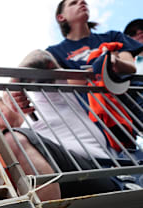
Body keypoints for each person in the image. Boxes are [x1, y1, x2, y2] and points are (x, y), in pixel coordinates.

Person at [0, 50, 120, 200]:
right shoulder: (23, 137)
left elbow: (42, 57)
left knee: (12, 140)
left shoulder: (45, 98)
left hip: (96, 170)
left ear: (2, 103)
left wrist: (12, 86)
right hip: (59, 182)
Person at [46, 0, 143, 150]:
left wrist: (114, 62)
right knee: (126, 158)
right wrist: (97, 69)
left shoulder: (112, 36)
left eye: (83, 1)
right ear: (61, 17)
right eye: (74, 3)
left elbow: (130, 67)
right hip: (98, 112)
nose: (82, 3)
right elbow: (66, 83)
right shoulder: (54, 52)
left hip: (133, 98)